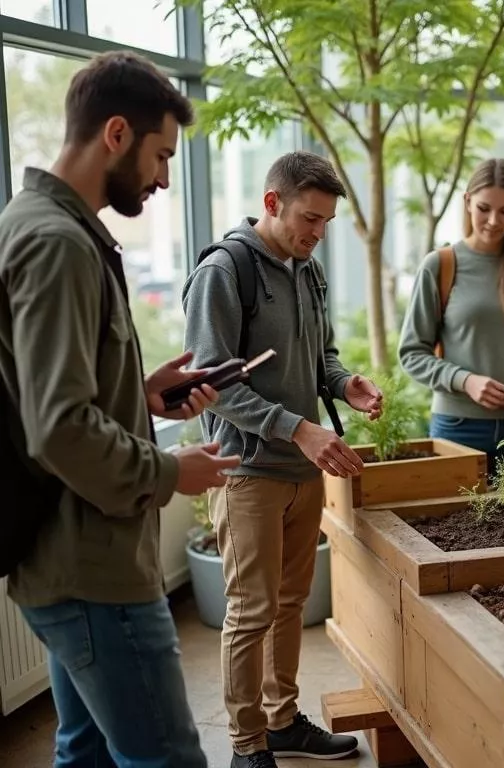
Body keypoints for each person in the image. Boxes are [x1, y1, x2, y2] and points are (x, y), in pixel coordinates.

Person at [0, 51, 241, 768]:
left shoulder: (32, 221)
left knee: (89, 751)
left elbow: (39, 397)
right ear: (115, 134)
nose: (165, 178)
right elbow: (60, 429)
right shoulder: (57, 244)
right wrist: (173, 472)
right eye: (161, 154)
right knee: (166, 757)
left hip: (65, 565)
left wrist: (137, 393)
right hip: (93, 573)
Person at [182, 150, 382, 768]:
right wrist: (298, 429)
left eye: (324, 223)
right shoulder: (226, 271)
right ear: (273, 203)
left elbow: (321, 355)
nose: (317, 234)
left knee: (291, 605)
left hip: (303, 470)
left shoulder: (308, 268)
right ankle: (246, 746)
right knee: (249, 611)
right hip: (247, 474)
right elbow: (211, 383)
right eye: (309, 219)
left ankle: (284, 720)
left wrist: (344, 383)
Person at [398, 157, 504, 477]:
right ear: (467, 202)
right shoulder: (440, 265)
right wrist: (466, 381)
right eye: (484, 208)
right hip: (458, 428)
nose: (494, 221)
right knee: (449, 527)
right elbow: (411, 353)